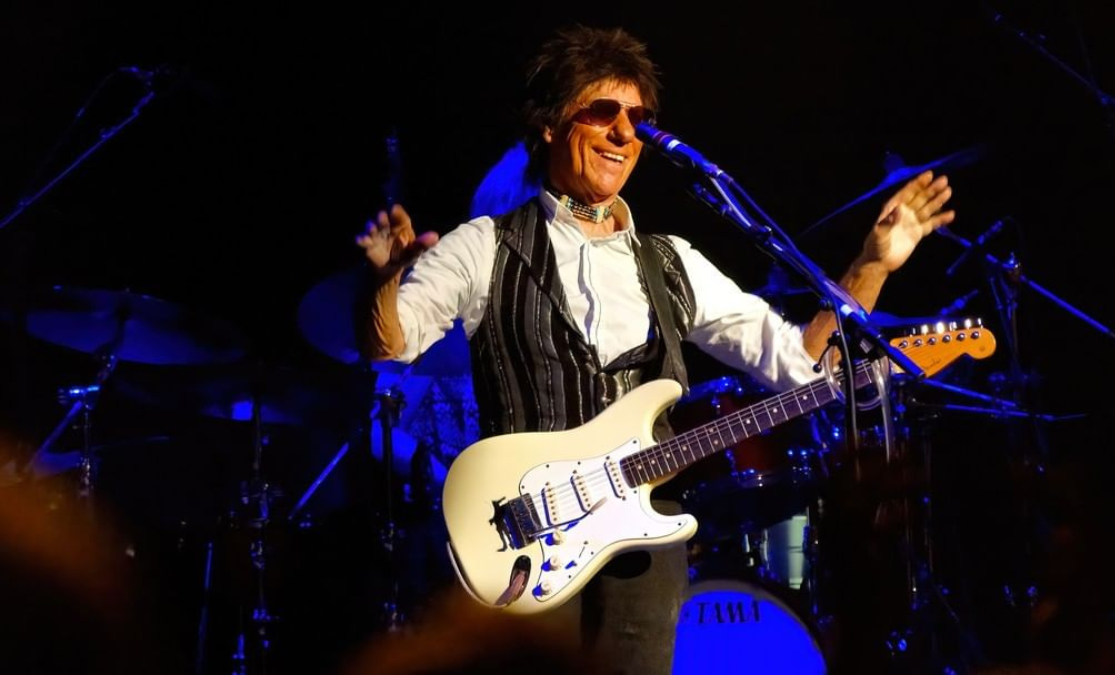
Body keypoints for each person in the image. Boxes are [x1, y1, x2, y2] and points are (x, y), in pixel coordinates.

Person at [356, 23, 954, 675]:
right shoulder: (484, 246)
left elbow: (802, 365)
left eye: (637, 118)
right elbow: (390, 347)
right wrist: (386, 281)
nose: (623, 132)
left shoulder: (672, 263)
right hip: (526, 533)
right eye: (602, 111)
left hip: (643, 540)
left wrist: (872, 264)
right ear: (550, 124)